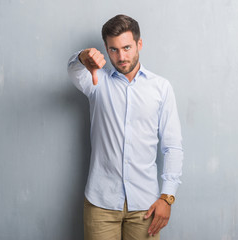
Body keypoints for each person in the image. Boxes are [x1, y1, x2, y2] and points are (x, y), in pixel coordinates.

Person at [67, 14, 183, 240]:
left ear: (139, 44)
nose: (121, 56)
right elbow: (73, 70)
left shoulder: (161, 88)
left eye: (127, 47)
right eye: (113, 50)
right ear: (106, 49)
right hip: (101, 203)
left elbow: (172, 146)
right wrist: (82, 57)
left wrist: (167, 197)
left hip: (146, 205)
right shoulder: (95, 81)